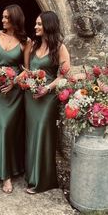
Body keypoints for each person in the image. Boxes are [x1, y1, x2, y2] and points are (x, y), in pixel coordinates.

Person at [23, 10, 70, 194]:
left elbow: (64, 76)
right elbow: (27, 70)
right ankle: (31, 175)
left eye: (39, 24)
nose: (35, 27)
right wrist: (26, 81)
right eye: (36, 23)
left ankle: (42, 181)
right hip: (31, 97)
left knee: (43, 133)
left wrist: (47, 88)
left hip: (47, 97)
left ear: (49, 25)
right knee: (32, 135)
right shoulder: (33, 46)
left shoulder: (60, 48)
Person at [0, 4, 29, 193]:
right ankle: (6, 176)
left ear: (15, 19)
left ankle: (13, 168)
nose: (2, 20)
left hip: (14, 92)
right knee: (2, 128)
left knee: (10, 130)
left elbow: (26, 70)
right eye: (2, 17)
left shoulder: (25, 41)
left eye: (6, 17)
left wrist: (13, 82)